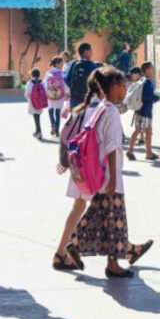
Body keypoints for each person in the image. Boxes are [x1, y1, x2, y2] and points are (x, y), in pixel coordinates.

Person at [64, 66, 153, 279]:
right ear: (113, 87)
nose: (125, 89)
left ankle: (76, 243)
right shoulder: (111, 111)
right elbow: (112, 146)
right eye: (123, 85)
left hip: (99, 172)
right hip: (109, 174)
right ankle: (112, 263)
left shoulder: (101, 107)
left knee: (98, 214)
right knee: (116, 221)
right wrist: (113, 177)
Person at [52, 72, 102, 270]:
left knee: (79, 206)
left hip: (77, 166)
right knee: (101, 209)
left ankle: (61, 252)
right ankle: (71, 248)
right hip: (92, 168)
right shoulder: (100, 110)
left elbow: (65, 136)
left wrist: (65, 160)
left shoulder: (80, 109)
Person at [126, 62, 160, 161]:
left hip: (138, 110)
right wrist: (157, 98)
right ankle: (147, 153)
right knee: (147, 131)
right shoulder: (148, 83)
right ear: (147, 70)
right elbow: (147, 96)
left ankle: (132, 150)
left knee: (139, 130)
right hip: (146, 111)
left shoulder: (141, 81)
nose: (153, 70)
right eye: (152, 68)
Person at [65, 43, 98, 109]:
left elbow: (67, 79)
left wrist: (73, 88)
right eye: (90, 51)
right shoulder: (92, 65)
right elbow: (97, 81)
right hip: (88, 99)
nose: (92, 53)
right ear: (86, 52)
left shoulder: (73, 64)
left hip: (75, 99)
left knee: (75, 115)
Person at [44, 56, 69, 137]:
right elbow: (65, 85)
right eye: (61, 64)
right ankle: (57, 130)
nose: (62, 65)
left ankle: (53, 125)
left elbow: (44, 84)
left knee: (50, 111)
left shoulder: (48, 73)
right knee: (58, 113)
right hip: (59, 96)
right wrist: (67, 93)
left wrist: (47, 93)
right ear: (57, 64)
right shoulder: (62, 73)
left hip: (50, 95)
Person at [25, 68, 46, 139]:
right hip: (40, 102)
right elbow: (45, 92)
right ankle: (37, 131)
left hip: (33, 103)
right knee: (37, 116)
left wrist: (30, 100)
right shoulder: (42, 82)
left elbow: (27, 93)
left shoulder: (29, 83)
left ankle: (39, 132)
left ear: (32, 75)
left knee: (36, 117)